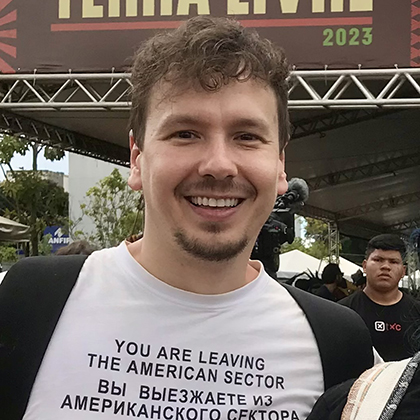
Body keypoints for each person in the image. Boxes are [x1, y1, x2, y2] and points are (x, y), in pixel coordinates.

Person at [0, 17, 376, 420]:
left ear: (280, 165)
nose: (219, 165)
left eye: (247, 136)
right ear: (137, 159)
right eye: (185, 133)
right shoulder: (24, 304)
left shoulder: (339, 345)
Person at [340, 234, 420, 361]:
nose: (385, 267)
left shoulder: (416, 313)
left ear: (403, 271)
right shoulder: (342, 312)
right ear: (365, 266)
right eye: (378, 260)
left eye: (393, 262)